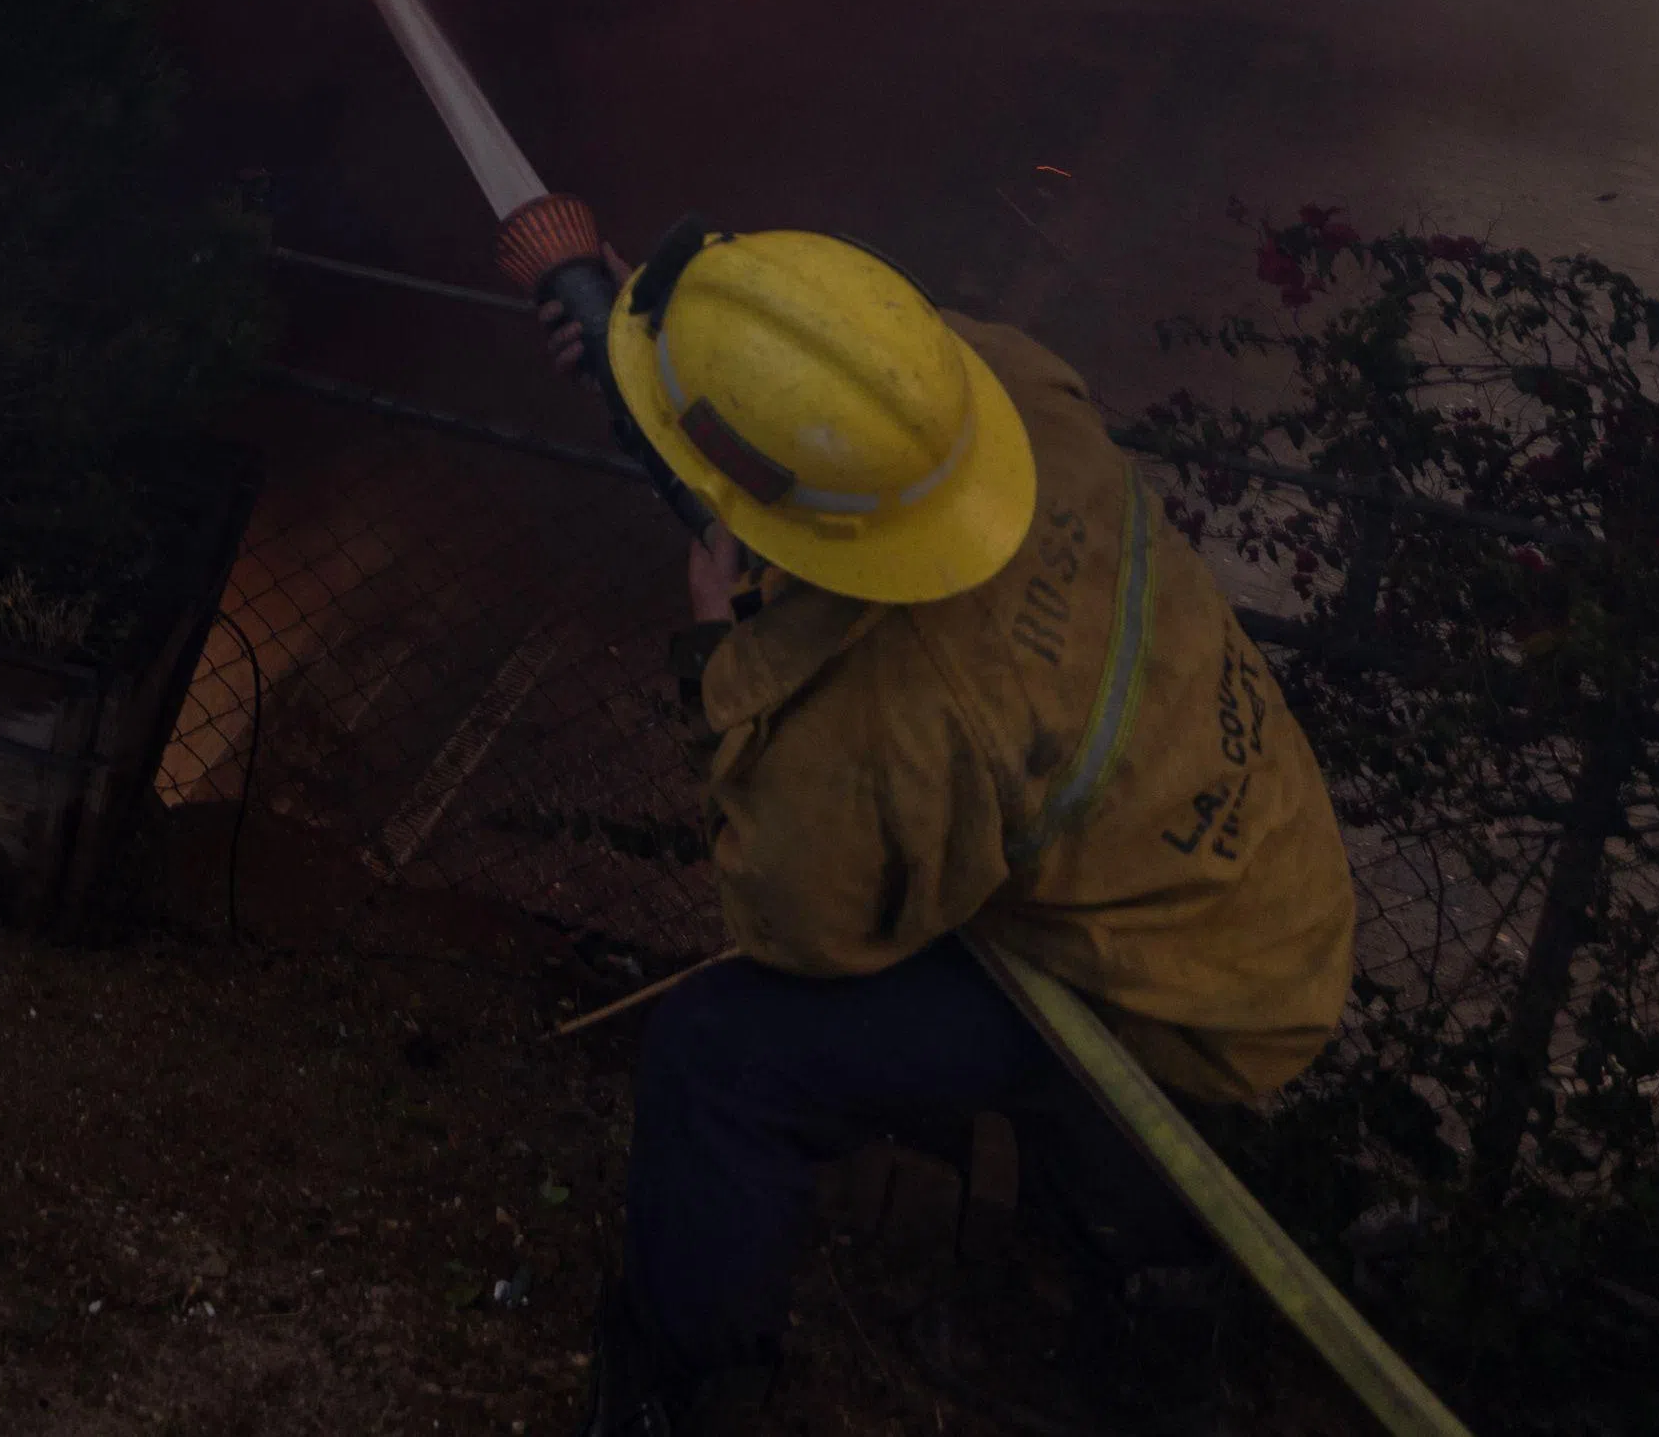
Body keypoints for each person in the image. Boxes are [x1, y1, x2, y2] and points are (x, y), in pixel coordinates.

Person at [535, 220, 1354, 1436]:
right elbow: (815, 394)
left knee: (720, 1055)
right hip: (1254, 876)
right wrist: (651, 324)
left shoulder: (897, 708)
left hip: (1169, 975)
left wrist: (719, 652)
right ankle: (1154, 1307)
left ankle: (677, 1392)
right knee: (997, 971)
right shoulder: (1006, 389)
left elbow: (798, 927)